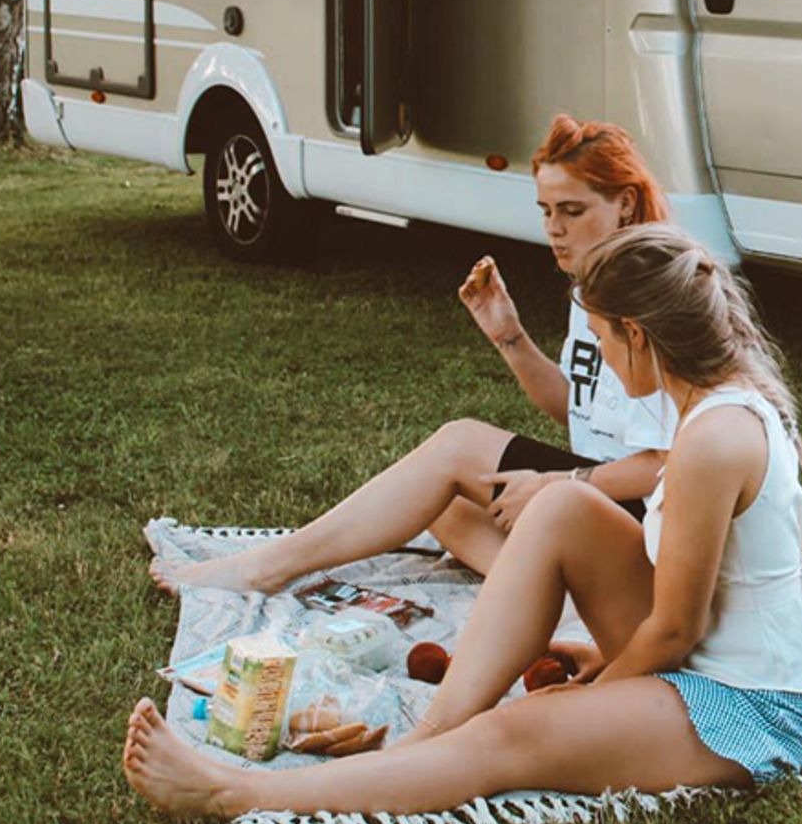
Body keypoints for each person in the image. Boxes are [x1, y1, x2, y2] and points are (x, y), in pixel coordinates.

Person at [122, 223, 802, 819]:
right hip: (709, 657)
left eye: (600, 340)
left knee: (512, 736)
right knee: (561, 503)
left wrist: (598, 691)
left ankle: (237, 792)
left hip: (751, 706)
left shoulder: (713, 441)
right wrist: (608, 670)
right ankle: (436, 732)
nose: (605, 366)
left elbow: (677, 630)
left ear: (637, 334)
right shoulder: (720, 402)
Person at [150, 115, 678, 594]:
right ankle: (560, 598)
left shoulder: (654, 295)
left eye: (572, 211)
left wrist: (555, 484)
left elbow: (669, 466)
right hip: (598, 502)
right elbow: (583, 413)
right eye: (545, 211)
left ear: (626, 203)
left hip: (654, 524)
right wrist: (509, 337)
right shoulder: (590, 284)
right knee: (438, 504)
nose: (554, 229)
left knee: (457, 446)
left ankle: (263, 569)